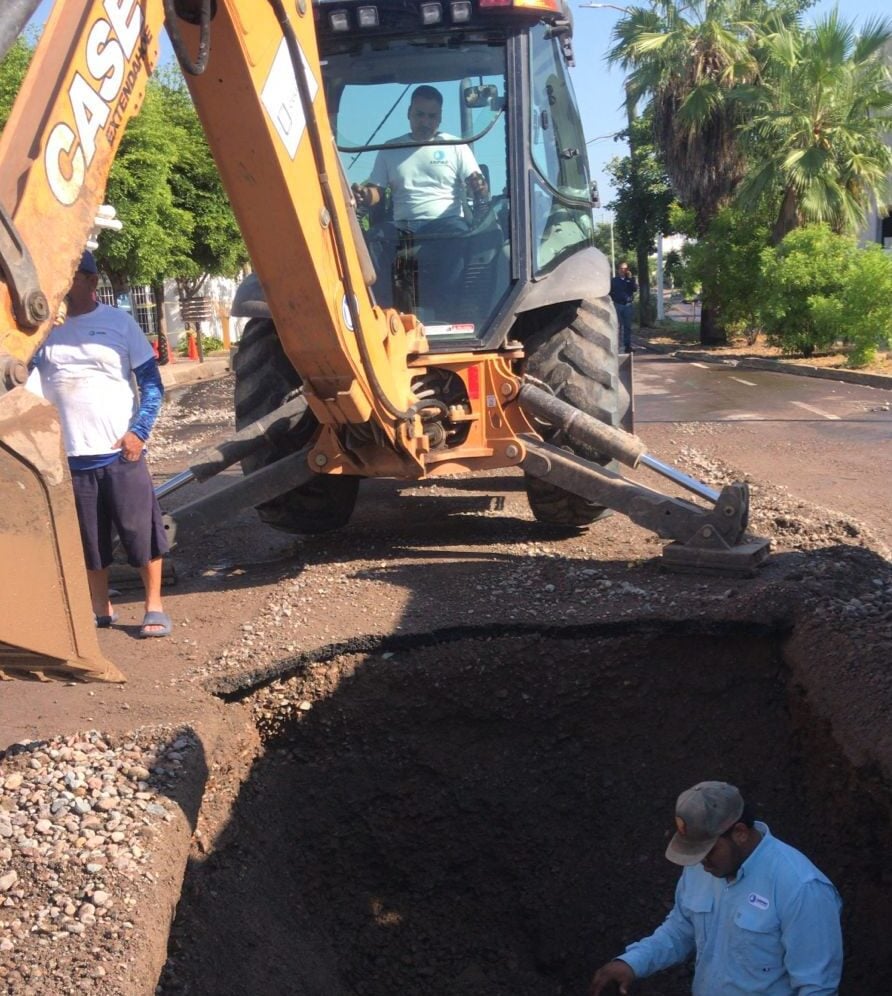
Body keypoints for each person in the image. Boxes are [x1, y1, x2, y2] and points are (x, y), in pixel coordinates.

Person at [30, 250, 172, 638]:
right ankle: (100, 609)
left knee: (140, 531)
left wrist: (139, 432)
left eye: (69, 277)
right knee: (90, 541)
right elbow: (20, 378)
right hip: (72, 456)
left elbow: (151, 385)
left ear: (91, 282)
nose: (60, 285)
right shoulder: (43, 332)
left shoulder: (119, 323)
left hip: (120, 451)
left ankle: (154, 607)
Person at [590, 781, 842, 996]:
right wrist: (632, 963)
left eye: (707, 851)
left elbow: (816, 988)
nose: (701, 862)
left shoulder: (801, 888)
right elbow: (681, 929)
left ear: (740, 833)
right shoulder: (705, 866)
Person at [351, 85, 489, 317]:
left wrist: (479, 185)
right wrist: (365, 195)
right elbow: (376, 190)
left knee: (460, 235)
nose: (425, 121)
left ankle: (450, 312)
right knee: (374, 238)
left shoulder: (455, 146)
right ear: (409, 113)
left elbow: (475, 181)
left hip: (445, 222)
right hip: (403, 225)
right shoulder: (390, 149)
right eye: (420, 114)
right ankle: (382, 313)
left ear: (440, 118)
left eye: (432, 116)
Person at [609, 261, 637, 353]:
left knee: (627, 327)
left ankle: (627, 346)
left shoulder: (630, 280)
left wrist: (631, 279)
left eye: (625, 268)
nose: (623, 270)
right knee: (617, 327)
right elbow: (609, 292)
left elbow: (634, 289)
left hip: (628, 306)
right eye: (621, 268)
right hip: (617, 305)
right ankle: (616, 346)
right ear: (618, 270)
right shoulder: (613, 281)